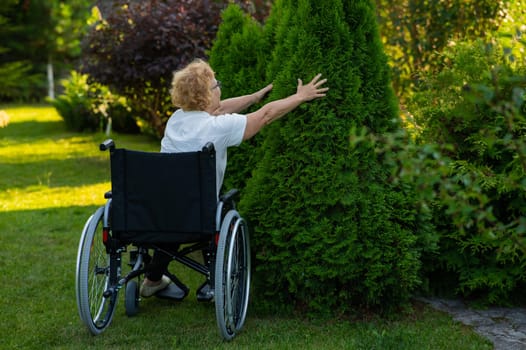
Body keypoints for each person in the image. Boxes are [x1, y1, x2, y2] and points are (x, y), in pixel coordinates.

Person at [140, 58, 328, 300]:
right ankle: (214, 280)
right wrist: (301, 96)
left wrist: (253, 97)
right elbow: (266, 116)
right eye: (216, 85)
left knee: (174, 211)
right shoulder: (218, 128)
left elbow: (217, 110)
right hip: (198, 215)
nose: (220, 87)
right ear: (206, 96)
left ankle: (152, 278)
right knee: (224, 204)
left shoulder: (175, 120)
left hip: (161, 212)